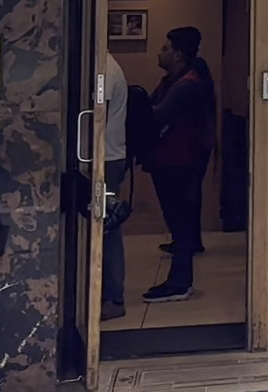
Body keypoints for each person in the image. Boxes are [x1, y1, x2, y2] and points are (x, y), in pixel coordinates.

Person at [144, 27, 214, 303]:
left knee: (180, 222)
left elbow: (157, 116)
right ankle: (180, 278)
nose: (160, 53)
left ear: (178, 54)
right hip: (177, 160)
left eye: (165, 48)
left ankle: (180, 282)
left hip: (178, 160)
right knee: (182, 222)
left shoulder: (185, 85)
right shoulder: (175, 81)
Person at [100, 50, 128, 321]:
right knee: (105, 228)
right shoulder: (107, 66)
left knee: (107, 228)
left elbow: (100, 117)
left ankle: (113, 297)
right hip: (108, 157)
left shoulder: (105, 69)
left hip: (106, 158)